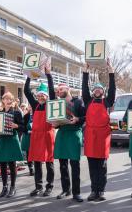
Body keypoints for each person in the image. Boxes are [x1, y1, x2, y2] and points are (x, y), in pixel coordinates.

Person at [48, 70, 84, 201]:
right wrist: (55, 124)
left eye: (61, 88)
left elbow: (85, 117)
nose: (58, 91)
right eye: (57, 90)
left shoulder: (78, 102)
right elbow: (51, 94)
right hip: (62, 134)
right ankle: (65, 190)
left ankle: (76, 192)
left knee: (75, 165)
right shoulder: (58, 104)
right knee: (63, 165)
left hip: (74, 134)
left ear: (68, 89)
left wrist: (78, 119)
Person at [81, 68, 116, 202]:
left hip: (102, 137)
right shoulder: (88, 101)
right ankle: (93, 190)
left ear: (103, 91)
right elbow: (84, 87)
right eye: (95, 89)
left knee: (102, 166)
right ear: (92, 92)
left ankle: (101, 191)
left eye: (99, 89)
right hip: (90, 136)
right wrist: (85, 72)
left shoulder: (107, 102)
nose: (97, 90)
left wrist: (111, 73)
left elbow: (112, 89)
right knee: (92, 165)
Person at [23, 75, 55, 197]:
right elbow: (26, 91)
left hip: (47, 135)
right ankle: (38, 187)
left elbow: (52, 90)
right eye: (39, 95)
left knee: (49, 162)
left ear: (47, 97)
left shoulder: (51, 104)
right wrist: (29, 76)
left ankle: (49, 186)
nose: (41, 97)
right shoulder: (35, 105)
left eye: (43, 95)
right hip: (36, 136)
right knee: (36, 162)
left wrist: (48, 75)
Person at [0, 92, 25, 198]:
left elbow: (23, 127)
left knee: (12, 164)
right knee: (2, 165)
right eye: (6, 99)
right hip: (2, 139)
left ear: (12, 100)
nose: (8, 100)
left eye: (10, 99)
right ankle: (4, 187)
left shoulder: (16, 113)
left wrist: (16, 125)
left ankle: (13, 187)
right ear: (3, 100)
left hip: (12, 139)